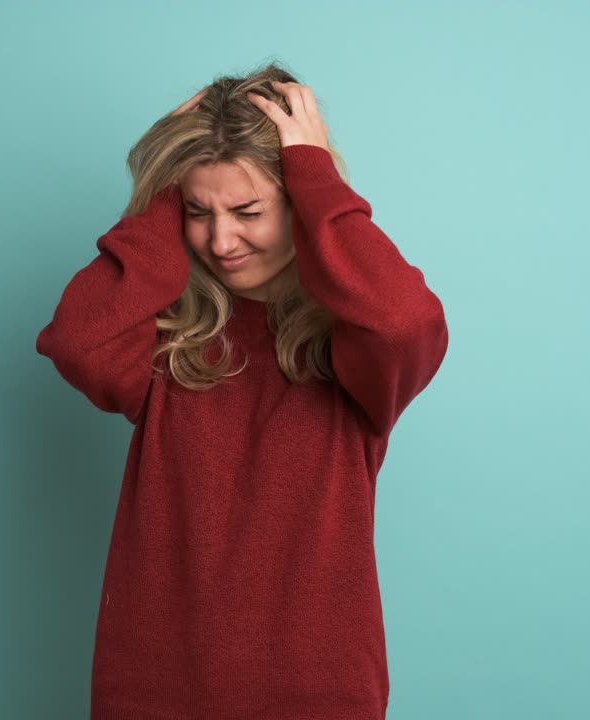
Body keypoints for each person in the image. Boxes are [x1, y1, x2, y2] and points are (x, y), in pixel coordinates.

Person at [35, 61, 449, 719]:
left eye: (249, 210)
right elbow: (77, 341)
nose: (221, 241)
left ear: (301, 203)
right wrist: (163, 185)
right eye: (197, 212)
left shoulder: (354, 348)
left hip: (319, 692)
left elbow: (406, 321)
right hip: (154, 688)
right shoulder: (166, 343)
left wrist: (316, 176)